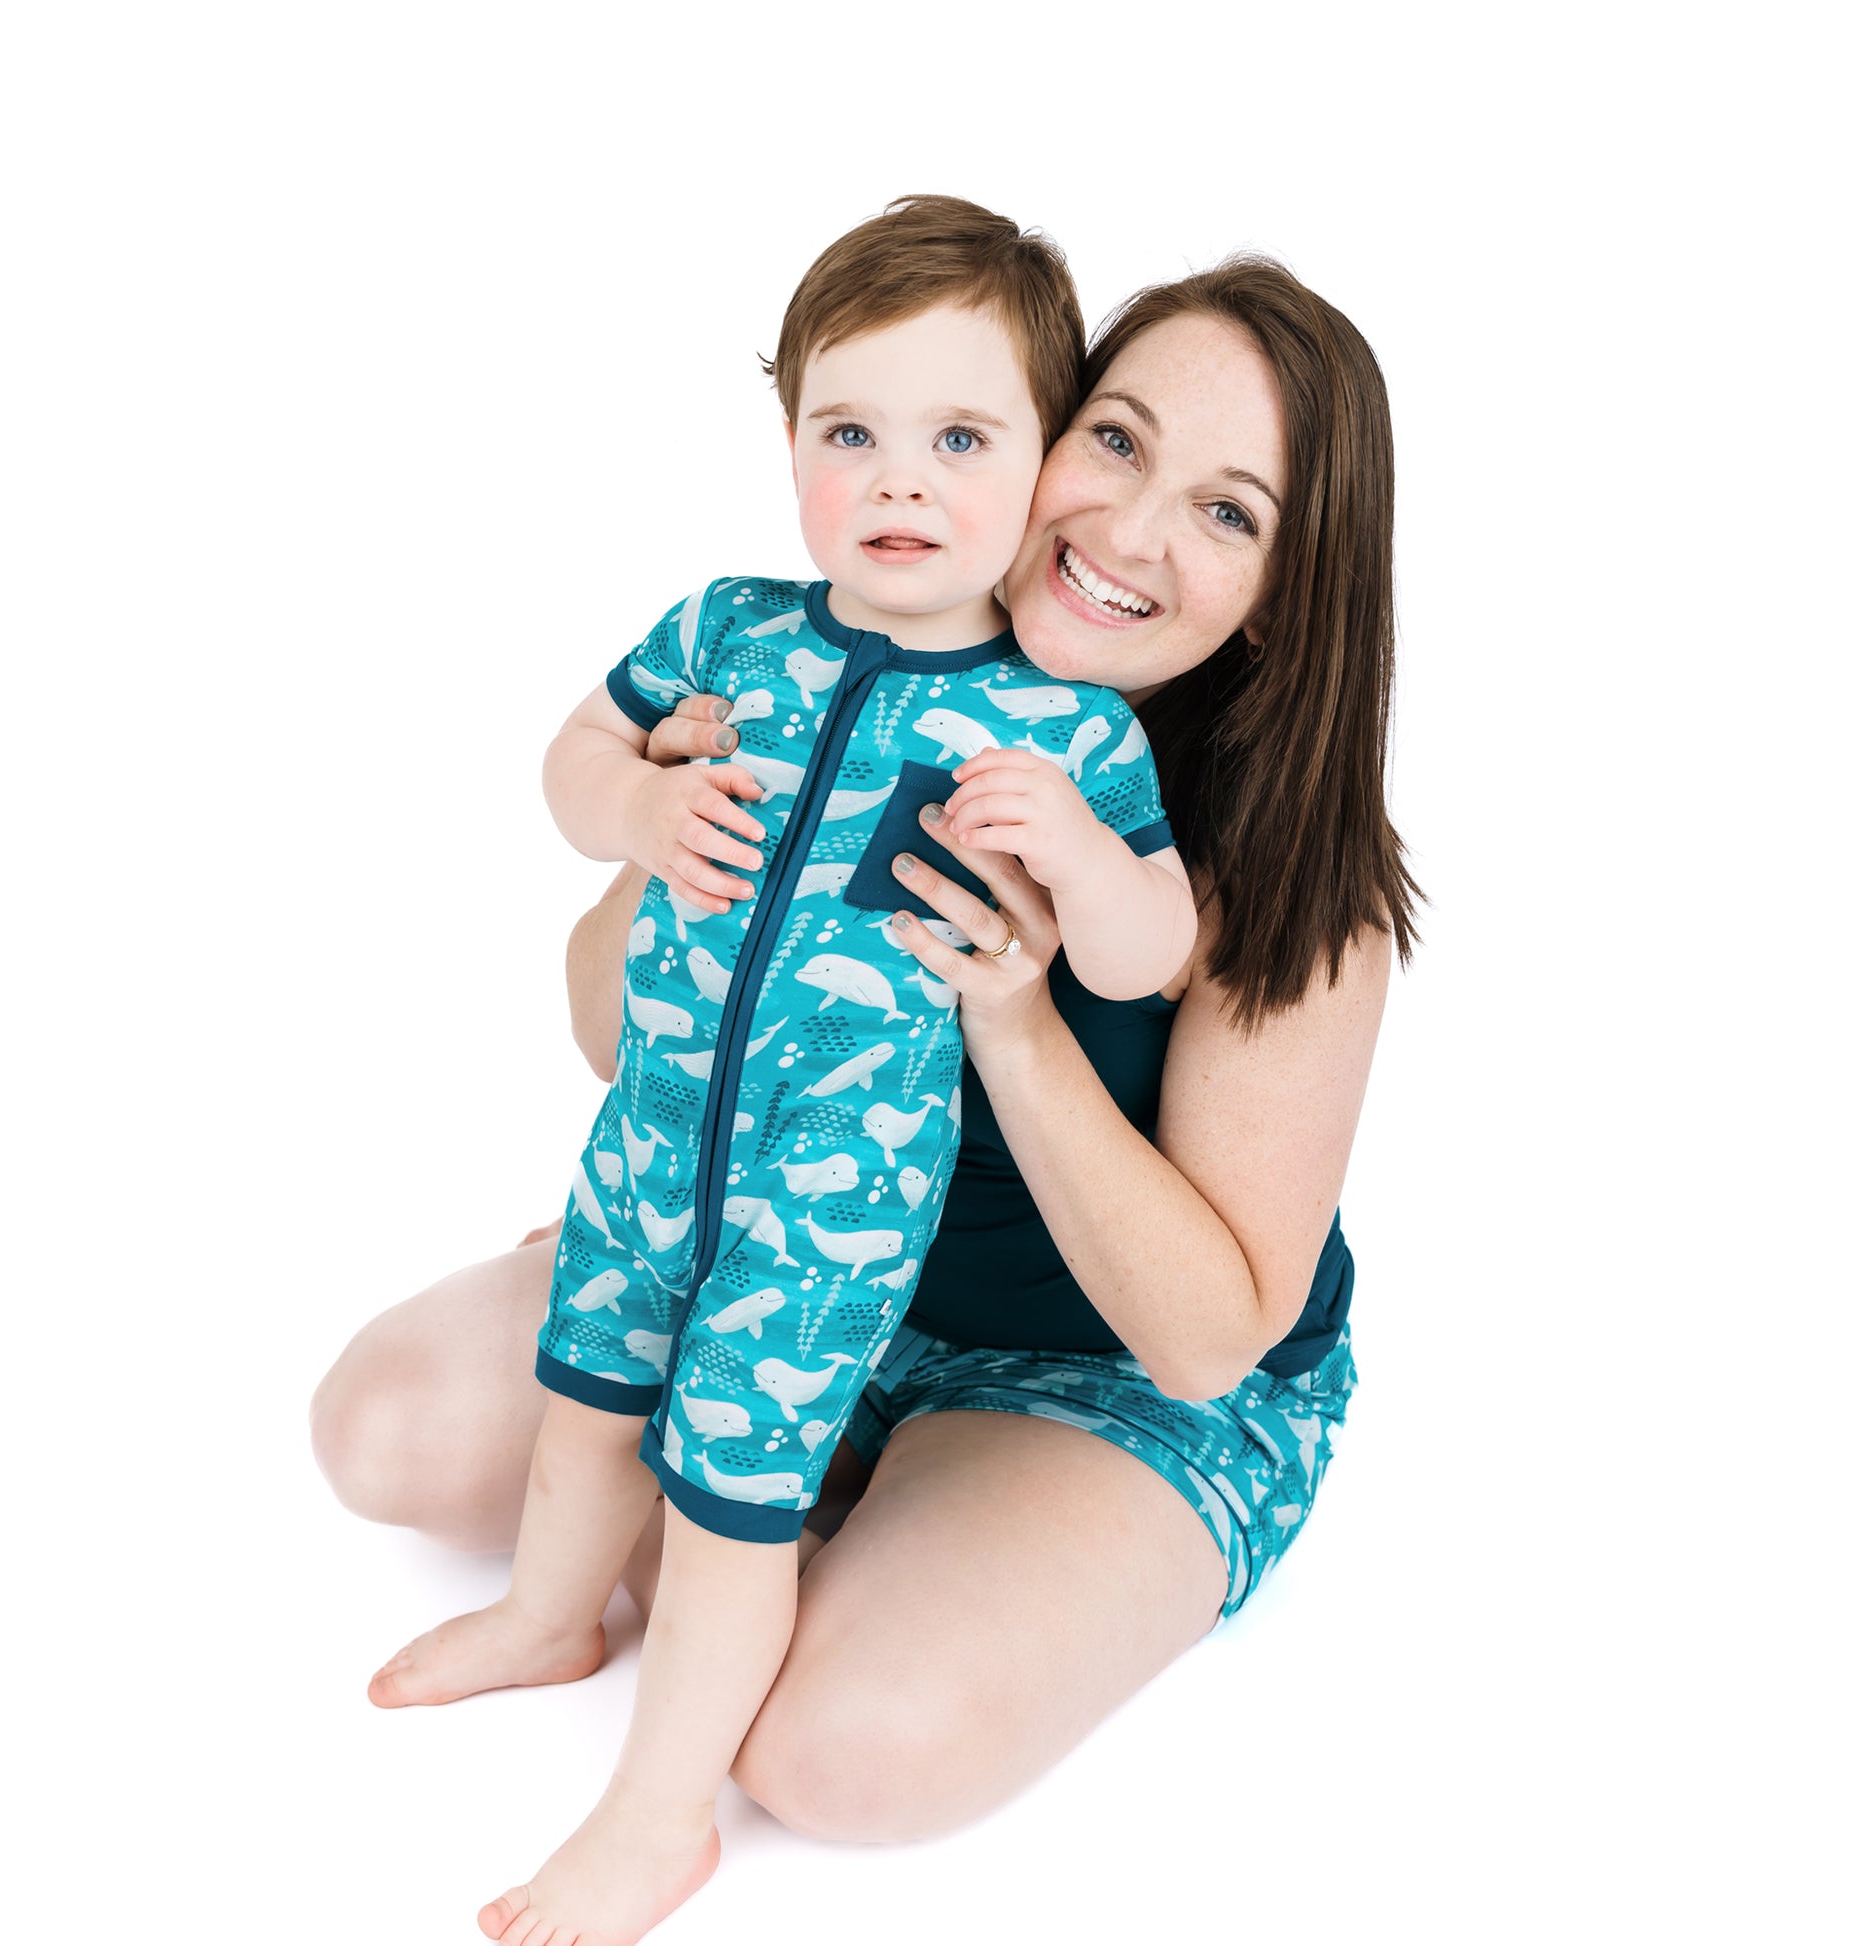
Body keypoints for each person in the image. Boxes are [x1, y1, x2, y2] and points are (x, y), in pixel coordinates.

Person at [311, 247, 1414, 1916]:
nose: (1127, 532)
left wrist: (1014, 1015)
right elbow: (606, 1025)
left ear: (1288, 583)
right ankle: (758, 1496)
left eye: (1227, 512)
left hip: (1098, 1365)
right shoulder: (804, 654)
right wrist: (669, 833)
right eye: (1113, 442)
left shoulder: (1266, 878)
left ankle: (823, 1531)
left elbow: (1204, 1332)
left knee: (840, 1752)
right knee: (389, 1434)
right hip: (773, 1224)